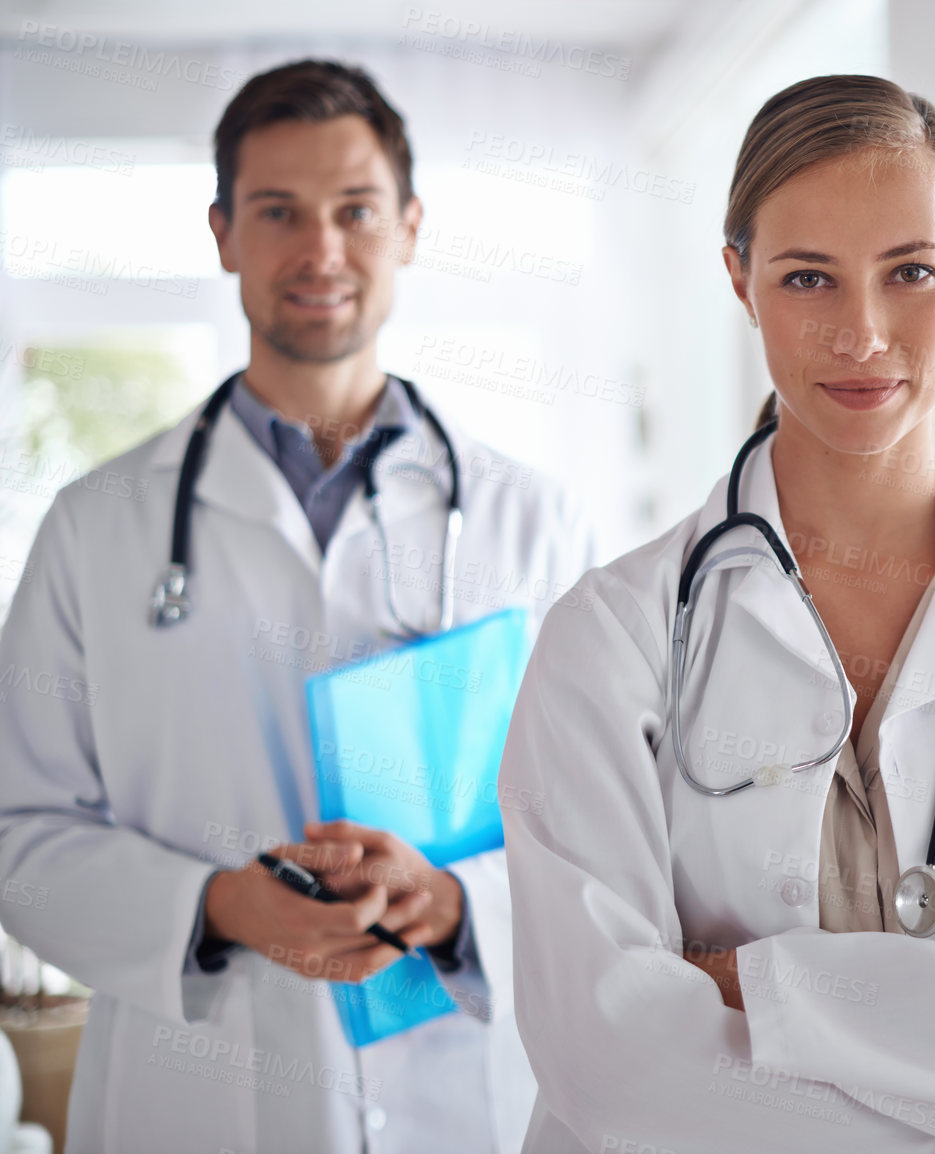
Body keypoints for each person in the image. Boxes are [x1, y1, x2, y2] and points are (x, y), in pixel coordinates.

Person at [500, 74, 935, 1152]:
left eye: (912, 272)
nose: (863, 333)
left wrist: (747, 985)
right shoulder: (611, 637)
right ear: (739, 279)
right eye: (807, 278)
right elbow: (614, 1068)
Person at [0, 60, 593, 1153]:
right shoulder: (96, 527)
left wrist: (459, 904)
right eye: (278, 211)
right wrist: (219, 904)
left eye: (356, 211)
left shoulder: (534, 526)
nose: (321, 251)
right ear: (223, 232)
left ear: (409, 227)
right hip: (197, 1100)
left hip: (463, 1100)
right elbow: (16, 831)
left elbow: (606, 836)